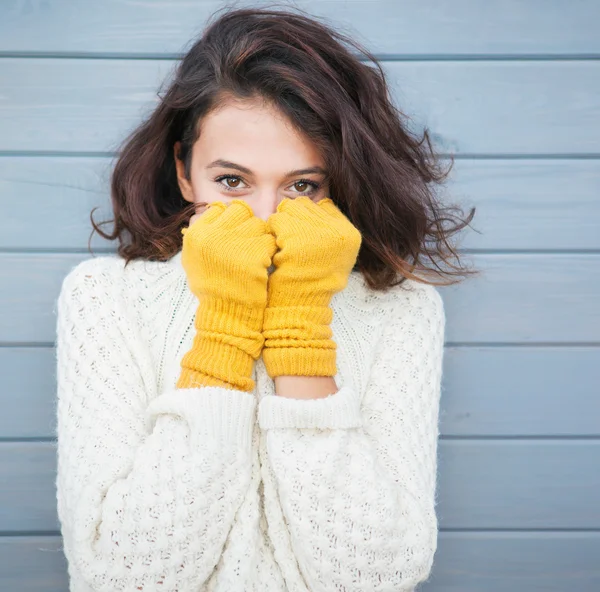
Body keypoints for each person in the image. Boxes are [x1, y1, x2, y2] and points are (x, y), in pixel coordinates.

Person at [54, 6, 476, 592]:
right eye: (232, 181)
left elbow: (378, 575)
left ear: (339, 182)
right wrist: (224, 331)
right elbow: (122, 576)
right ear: (184, 172)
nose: (268, 219)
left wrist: (301, 329)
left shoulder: (399, 309)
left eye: (303, 186)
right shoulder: (107, 299)